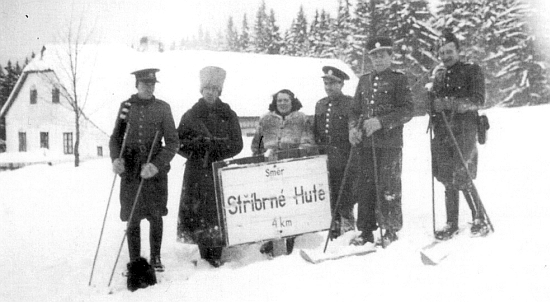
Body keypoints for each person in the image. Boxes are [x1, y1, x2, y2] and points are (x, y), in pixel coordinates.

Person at [110, 68, 179, 272]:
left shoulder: (163, 108)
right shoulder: (126, 107)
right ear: (137, 85)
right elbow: (115, 138)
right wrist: (116, 159)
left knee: (155, 214)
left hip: (154, 169)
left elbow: (173, 142)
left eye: (152, 85)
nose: (148, 88)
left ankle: (156, 257)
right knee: (132, 216)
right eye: (144, 84)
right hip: (130, 170)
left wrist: (156, 165)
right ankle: (134, 259)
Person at [348, 37, 414, 246]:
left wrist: (382, 122)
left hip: (390, 144)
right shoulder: (364, 80)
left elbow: (407, 110)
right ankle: (366, 230)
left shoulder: (399, 79)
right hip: (366, 144)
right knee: (365, 187)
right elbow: (355, 110)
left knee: (389, 187)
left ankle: (390, 229)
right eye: (374, 56)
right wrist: (353, 129)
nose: (378, 59)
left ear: (391, 56)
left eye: (382, 55)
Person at [177, 66, 243, 267]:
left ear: (219, 91)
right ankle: (204, 253)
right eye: (207, 89)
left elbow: (237, 144)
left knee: (218, 211)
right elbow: (178, 142)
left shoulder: (228, 114)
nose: (210, 92)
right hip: (197, 171)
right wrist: (197, 146)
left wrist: (218, 148)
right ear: (201, 90)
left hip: (219, 170)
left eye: (214, 89)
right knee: (198, 212)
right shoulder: (190, 115)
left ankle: (218, 252)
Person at [428, 29, 488, 240]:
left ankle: (479, 217)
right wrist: (431, 102)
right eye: (442, 52)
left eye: (449, 51)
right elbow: (433, 102)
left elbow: (479, 100)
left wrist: (450, 104)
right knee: (446, 176)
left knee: (462, 173)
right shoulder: (439, 74)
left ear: (458, 51)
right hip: (443, 131)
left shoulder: (472, 70)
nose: (446, 56)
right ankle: (451, 222)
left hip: (465, 130)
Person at [251, 89, 315, 255]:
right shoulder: (265, 119)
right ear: (275, 102)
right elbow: (256, 145)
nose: (282, 103)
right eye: (279, 100)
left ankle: (291, 238)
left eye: (286, 100)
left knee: (290, 204)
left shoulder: (302, 119)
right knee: (272, 203)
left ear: (292, 101)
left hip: (292, 168)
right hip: (270, 169)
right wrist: (261, 158)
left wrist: (298, 154)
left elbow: (308, 142)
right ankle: (272, 240)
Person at [313, 66, 355, 238]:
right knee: (329, 191)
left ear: (341, 84)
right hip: (325, 154)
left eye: (333, 83)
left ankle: (348, 226)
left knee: (345, 191)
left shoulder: (350, 103)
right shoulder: (320, 104)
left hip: (344, 154)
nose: (329, 87)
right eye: (326, 83)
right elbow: (316, 130)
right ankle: (334, 225)